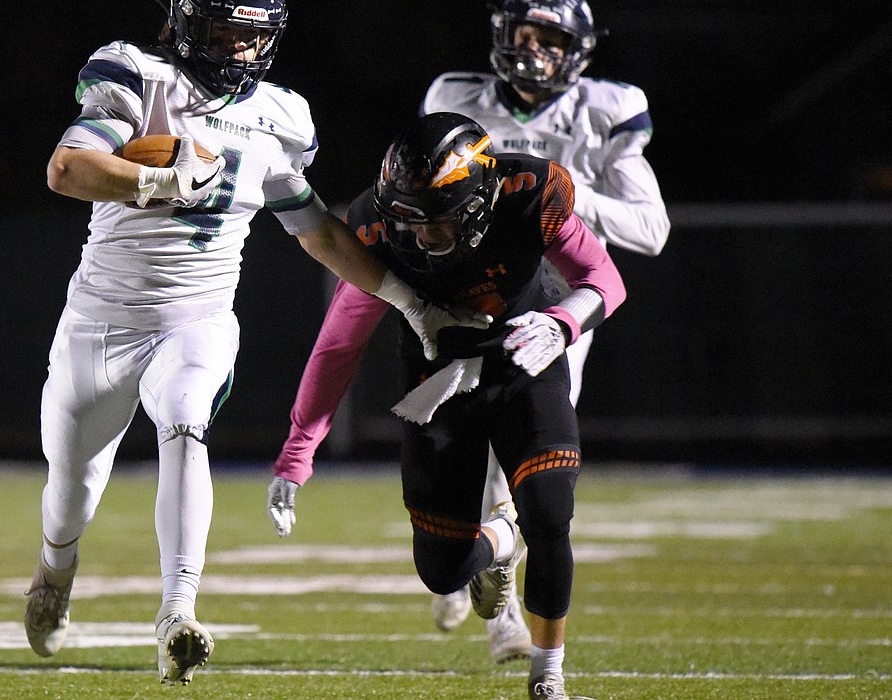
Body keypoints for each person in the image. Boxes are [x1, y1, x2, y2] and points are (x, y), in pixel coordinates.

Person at [23, 0, 481, 686]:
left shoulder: (278, 117)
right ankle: (55, 568)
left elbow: (322, 232)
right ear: (184, 21)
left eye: (252, 33)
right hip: (99, 324)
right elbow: (66, 169)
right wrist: (158, 179)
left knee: (185, 418)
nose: (238, 47)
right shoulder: (138, 76)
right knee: (69, 493)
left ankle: (177, 612)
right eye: (224, 30)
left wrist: (408, 299)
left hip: (195, 319)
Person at [267, 111, 627, 700]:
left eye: (434, 221)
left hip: (523, 364)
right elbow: (340, 341)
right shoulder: (376, 229)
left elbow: (603, 276)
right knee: (443, 570)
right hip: (439, 381)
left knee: (551, 510)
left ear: (478, 199)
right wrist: (298, 450)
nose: (418, 237)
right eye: (405, 220)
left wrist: (562, 324)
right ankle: (500, 539)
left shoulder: (531, 191)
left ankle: (548, 677)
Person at [419, 0, 671, 662]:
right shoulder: (456, 99)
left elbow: (650, 229)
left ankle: (495, 608)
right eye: (524, 34)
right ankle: (460, 558)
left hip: (560, 307)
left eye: (550, 39)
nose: (533, 50)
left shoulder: (607, 111)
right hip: (473, 295)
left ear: (578, 52)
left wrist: (561, 184)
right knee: (455, 455)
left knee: (528, 465)